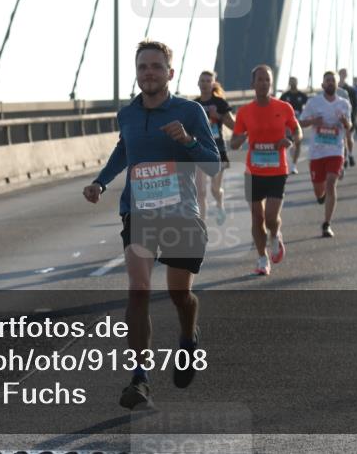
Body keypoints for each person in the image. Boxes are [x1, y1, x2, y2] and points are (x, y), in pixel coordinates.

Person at [83, 40, 221, 409]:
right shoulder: (127, 114)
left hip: (181, 213)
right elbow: (124, 149)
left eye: (157, 67)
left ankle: (189, 335)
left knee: (179, 294)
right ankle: (140, 378)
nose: (149, 73)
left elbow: (212, 164)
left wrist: (188, 140)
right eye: (143, 66)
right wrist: (101, 181)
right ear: (137, 71)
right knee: (138, 289)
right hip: (139, 212)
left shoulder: (190, 111)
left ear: (170, 73)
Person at [230, 65, 301, 275]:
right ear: (253, 84)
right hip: (253, 172)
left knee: (270, 217)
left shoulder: (284, 107)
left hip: (277, 170)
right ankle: (262, 259)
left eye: (267, 80)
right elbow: (233, 143)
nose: (263, 83)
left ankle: (276, 233)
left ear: (271, 84)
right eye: (259, 80)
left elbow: (297, 131)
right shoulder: (244, 112)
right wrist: (241, 138)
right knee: (256, 218)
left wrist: (290, 140)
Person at [299, 71, 352, 238]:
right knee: (319, 189)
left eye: (333, 81)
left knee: (331, 184)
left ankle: (327, 223)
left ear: (337, 85)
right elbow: (300, 122)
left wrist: (345, 122)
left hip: (335, 150)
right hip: (317, 152)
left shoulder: (344, 104)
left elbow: (349, 126)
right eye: (327, 80)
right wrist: (313, 121)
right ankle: (321, 198)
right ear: (322, 85)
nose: (330, 83)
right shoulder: (313, 102)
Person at [195, 70, 235, 225]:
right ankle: (202, 227)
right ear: (198, 83)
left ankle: (220, 205)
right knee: (200, 192)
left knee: (214, 189)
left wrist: (217, 116)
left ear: (213, 84)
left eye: (207, 81)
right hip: (199, 151)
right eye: (202, 80)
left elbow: (233, 126)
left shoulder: (220, 103)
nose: (204, 83)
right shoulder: (194, 104)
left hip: (217, 150)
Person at [279, 76, 308, 175]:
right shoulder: (285, 96)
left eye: (294, 82)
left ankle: (294, 166)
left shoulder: (302, 96)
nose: (292, 84)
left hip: (298, 123)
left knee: (298, 142)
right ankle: (286, 163)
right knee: (288, 143)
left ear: (297, 83)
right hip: (287, 124)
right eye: (291, 82)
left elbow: (308, 108)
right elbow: (279, 107)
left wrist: (305, 118)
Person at [337, 68, 357, 168]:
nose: (342, 75)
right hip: (337, 119)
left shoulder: (350, 90)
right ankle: (344, 158)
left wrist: (353, 117)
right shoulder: (335, 89)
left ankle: (350, 154)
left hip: (349, 117)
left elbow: (355, 105)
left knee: (348, 137)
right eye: (341, 73)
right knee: (341, 139)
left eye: (344, 74)